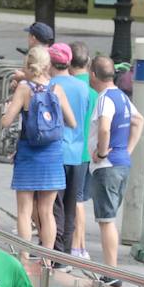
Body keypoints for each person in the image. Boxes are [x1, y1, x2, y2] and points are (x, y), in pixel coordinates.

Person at [0, 45, 76, 257]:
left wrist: (6, 109)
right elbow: (72, 122)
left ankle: (24, 256)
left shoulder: (24, 89)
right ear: (48, 65)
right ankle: (47, 260)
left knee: (24, 212)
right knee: (47, 211)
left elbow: (6, 122)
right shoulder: (57, 89)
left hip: (28, 154)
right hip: (52, 155)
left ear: (28, 64)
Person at [88, 55, 144, 284]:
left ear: (93, 75)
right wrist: (127, 150)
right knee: (109, 218)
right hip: (121, 163)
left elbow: (104, 128)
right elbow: (138, 120)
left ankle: (111, 273)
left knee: (106, 220)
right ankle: (111, 271)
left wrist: (102, 153)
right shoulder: (121, 95)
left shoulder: (105, 99)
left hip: (107, 166)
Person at [49, 43, 92, 256]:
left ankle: (54, 253)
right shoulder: (84, 87)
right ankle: (65, 255)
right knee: (70, 208)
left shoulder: (50, 86)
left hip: (55, 152)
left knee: (52, 207)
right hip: (77, 153)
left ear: (50, 63)